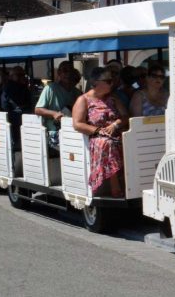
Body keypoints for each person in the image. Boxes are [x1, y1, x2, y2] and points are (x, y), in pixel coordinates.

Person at [72, 66, 128, 198]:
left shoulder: (113, 98)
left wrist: (115, 124)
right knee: (108, 143)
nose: (112, 83)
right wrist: (98, 131)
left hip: (116, 132)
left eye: (112, 80)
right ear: (96, 83)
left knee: (129, 141)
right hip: (96, 136)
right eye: (108, 81)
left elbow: (125, 116)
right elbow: (77, 124)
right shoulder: (83, 100)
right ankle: (116, 187)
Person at [34, 60, 82, 152]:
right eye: (64, 71)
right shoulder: (50, 88)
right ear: (59, 73)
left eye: (70, 71)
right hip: (55, 133)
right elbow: (37, 110)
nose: (67, 74)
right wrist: (53, 114)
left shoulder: (77, 92)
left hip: (74, 131)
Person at [1, 66, 33, 147]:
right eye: (19, 75)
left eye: (23, 75)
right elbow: (5, 106)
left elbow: (30, 104)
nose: (22, 77)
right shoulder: (7, 89)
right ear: (11, 76)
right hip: (13, 121)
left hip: (25, 120)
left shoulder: (24, 88)